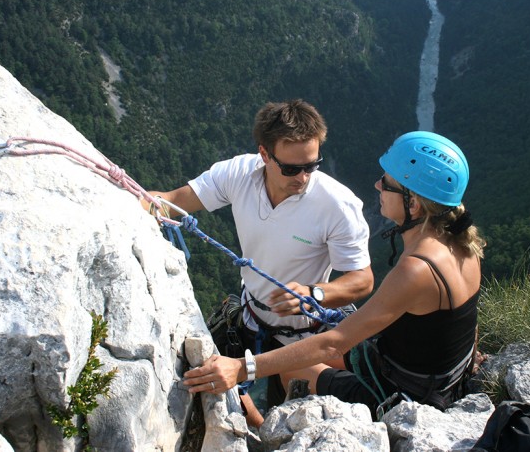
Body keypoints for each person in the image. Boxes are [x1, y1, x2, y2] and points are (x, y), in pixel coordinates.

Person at [183, 130, 486, 417]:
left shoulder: (416, 269)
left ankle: (262, 435)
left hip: (405, 394)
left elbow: (334, 342)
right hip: (433, 377)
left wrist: (240, 368)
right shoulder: (462, 245)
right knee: (301, 353)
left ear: (414, 204)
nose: (378, 185)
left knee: (290, 368)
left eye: (388, 182)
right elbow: (462, 325)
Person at [143, 99, 374, 425]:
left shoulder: (337, 205)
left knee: (289, 419)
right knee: (209, 387)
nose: (304, 177)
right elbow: (173, 202)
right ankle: (255, 428)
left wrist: (315, 294)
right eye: (292, 168)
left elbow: (362, 279)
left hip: (305, 332)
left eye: (312, 165)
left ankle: (266, 433)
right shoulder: (239, 174)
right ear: (264, 154)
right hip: (253, 316)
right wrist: (127, 198)